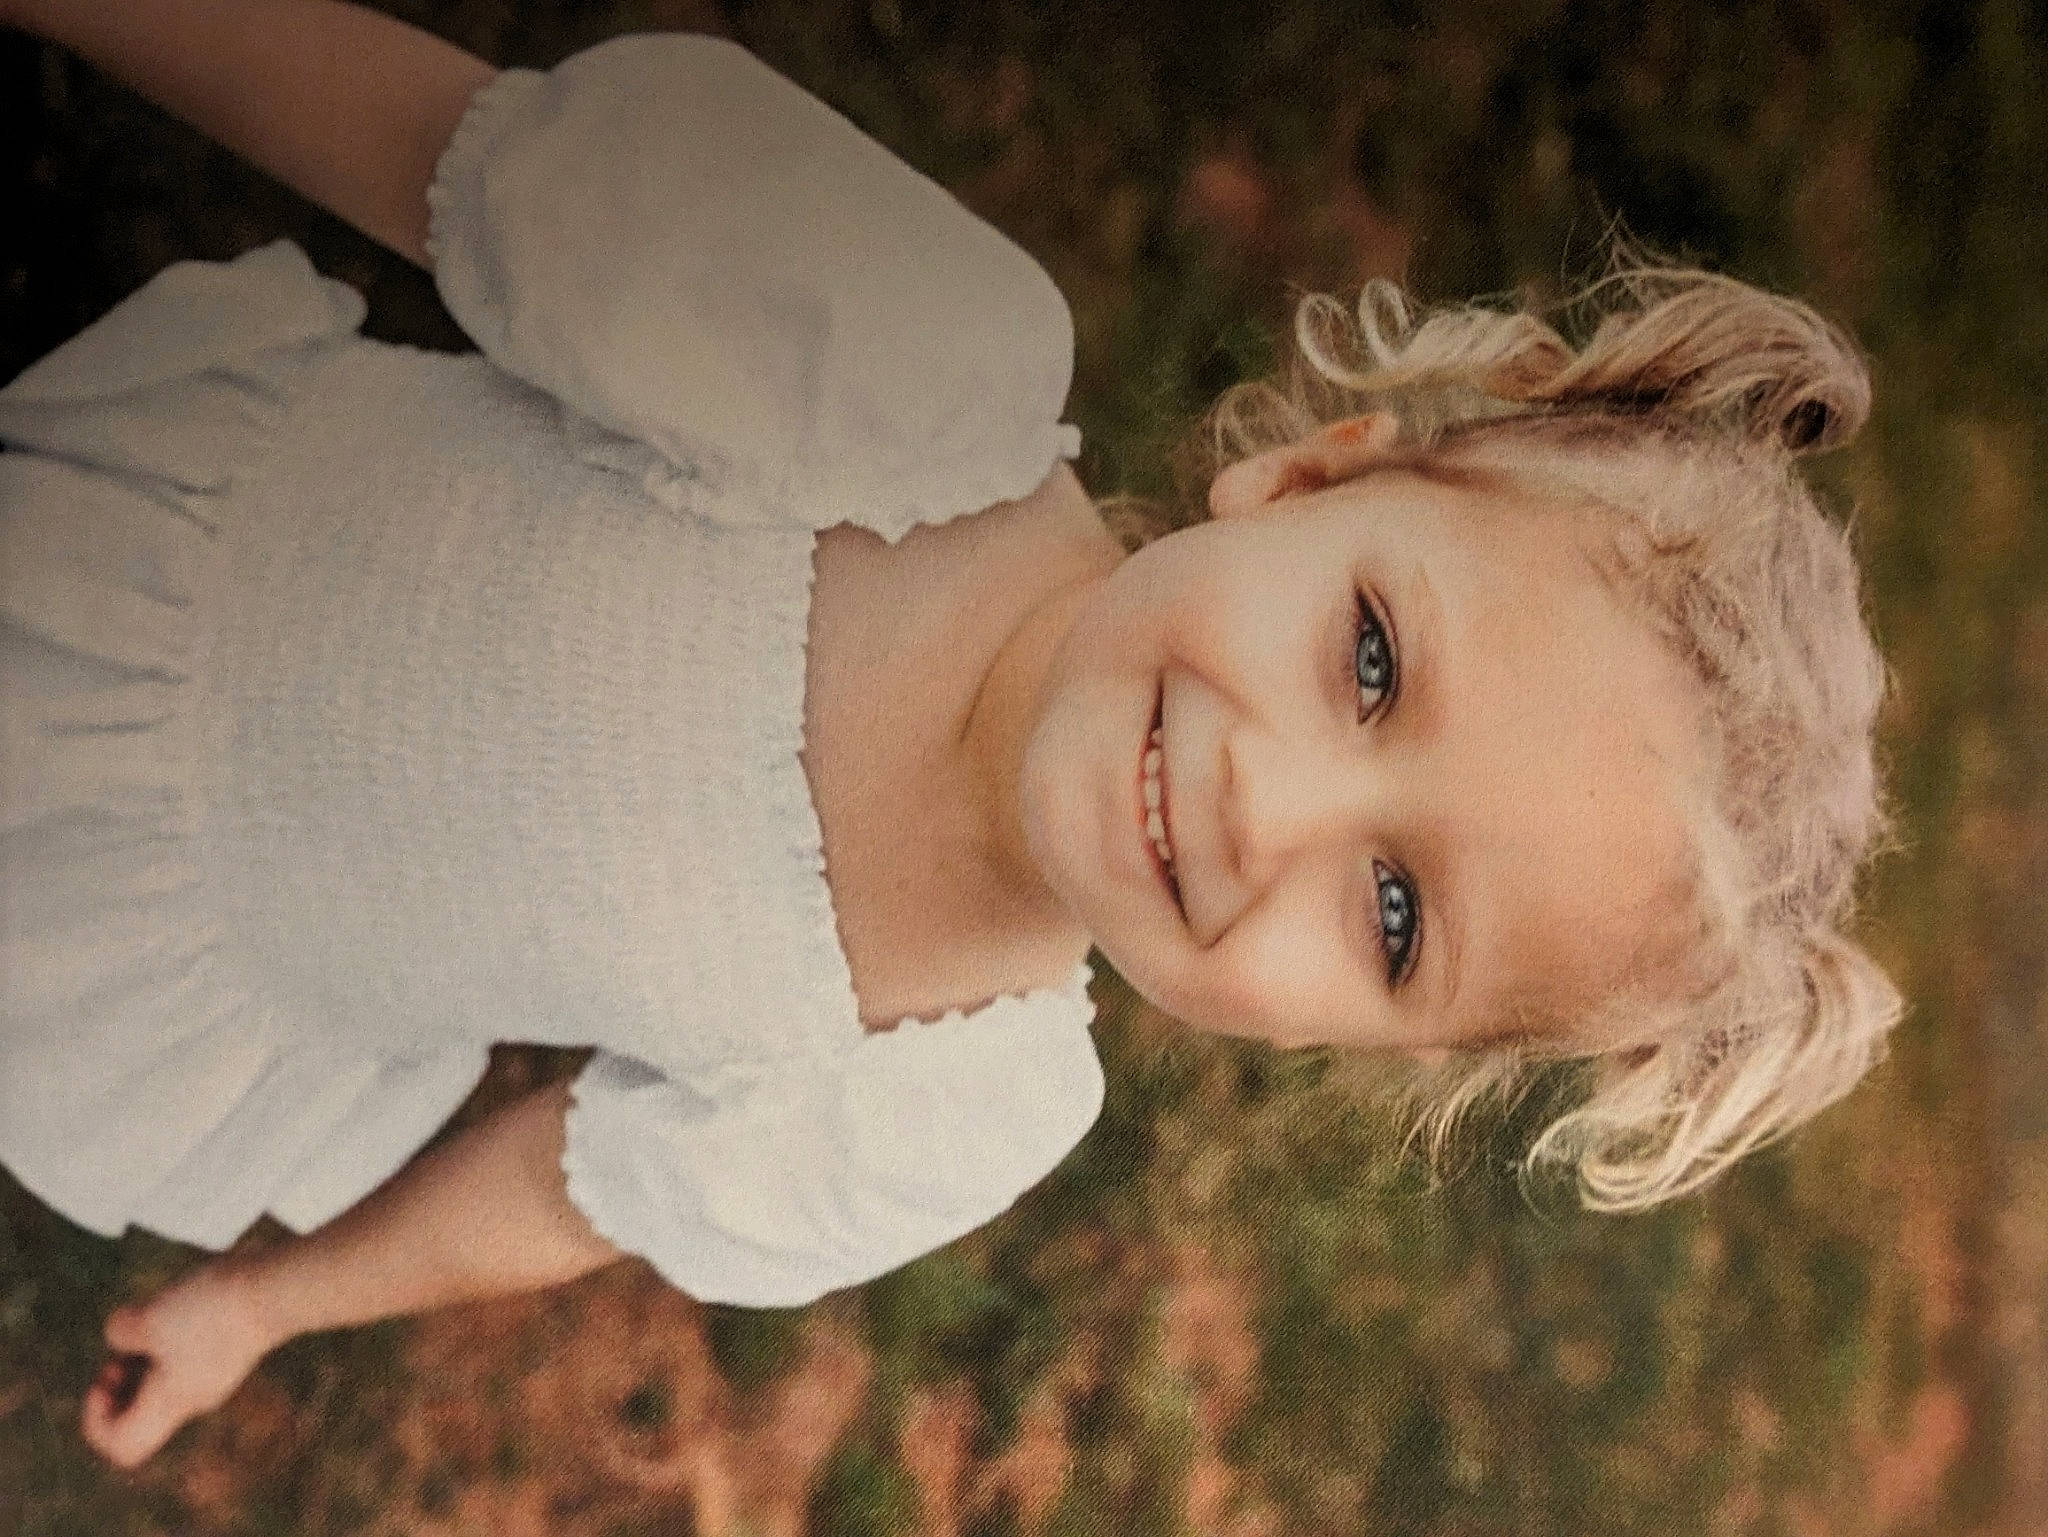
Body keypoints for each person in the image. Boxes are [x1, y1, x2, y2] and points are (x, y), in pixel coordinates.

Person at [0, 0, 1900, 1472]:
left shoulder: (951, 1102)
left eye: (1395, 915)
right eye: (1375, 659)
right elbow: (439, 159)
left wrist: (267, 1303)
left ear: (1357, 1046)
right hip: (132, 582)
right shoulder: (909, 373)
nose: (1270, 804)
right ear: (1312, 476)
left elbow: (569, 1182)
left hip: (156, 922)